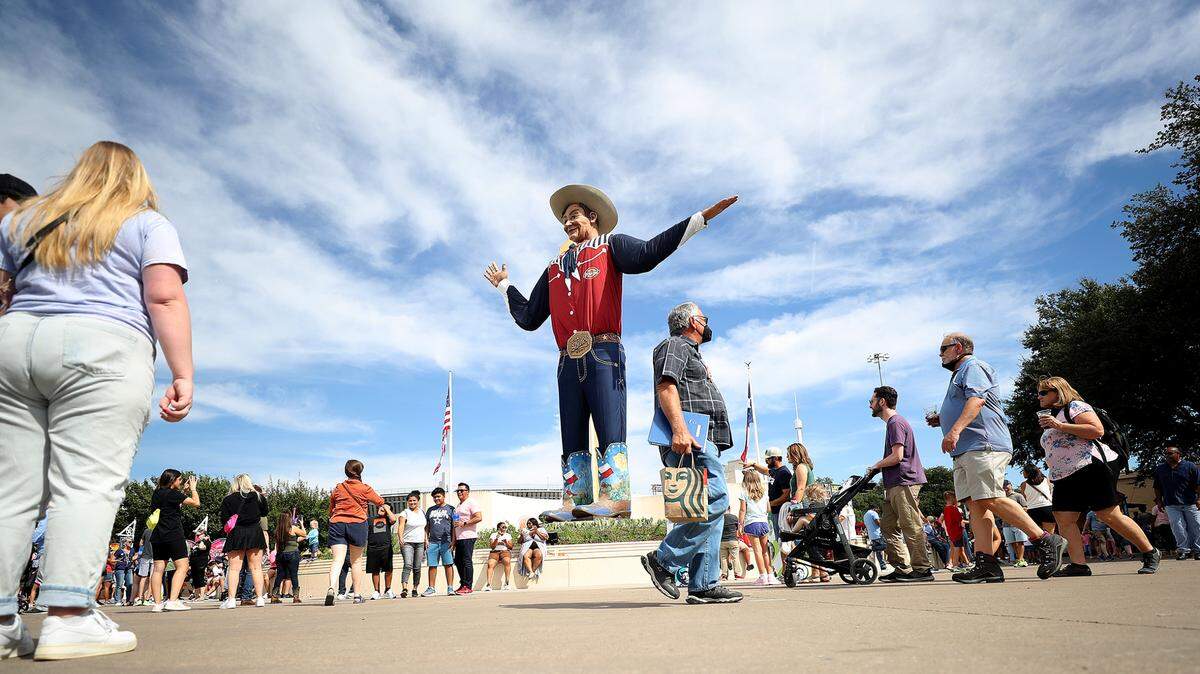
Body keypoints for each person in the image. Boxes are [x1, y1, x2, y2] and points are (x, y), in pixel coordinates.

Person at [0, 142, 193, 660]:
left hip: (14, 343)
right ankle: (67, 616)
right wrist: (182, 373)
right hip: (103, 344)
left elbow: (4, 291)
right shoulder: (146, 222)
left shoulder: (22, 222)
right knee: (84, 482)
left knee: (12, 492)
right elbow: (163, 295)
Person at [485, 187, 738, 521]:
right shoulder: (554, 268)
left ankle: (616, 496)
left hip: (603, 349)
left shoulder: (609, 246)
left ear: (592, 217)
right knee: (571, 429)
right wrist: (506, 286)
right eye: (564, 219)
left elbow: (648, 253)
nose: (567, 223)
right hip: (566, 358)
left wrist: (699, 219)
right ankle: (574, 498)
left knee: (608, 423)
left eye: (573, 215)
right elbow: (530, 316)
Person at [926, 333, 1067, 583]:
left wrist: (955, 429)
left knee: (990, 496)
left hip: (983, 444)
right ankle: (987, 563)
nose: (940, 355)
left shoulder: (973, 366)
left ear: (958, 348)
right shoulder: (959, 374)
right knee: (976, 504)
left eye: (943, 349)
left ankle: (1045, 539)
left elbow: (977, 400)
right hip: (965, 449)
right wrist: (944, 419)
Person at [641, 302, 741, 604]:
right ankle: (663, 560)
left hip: (701, 438)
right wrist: (680, 430)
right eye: (704, 318)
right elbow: (666, 387)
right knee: (717, 499)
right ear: (691, 322)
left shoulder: (690, 353)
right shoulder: (674, 345)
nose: (707, 323)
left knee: (705, 509)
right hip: (692, 438)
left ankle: (704, 584)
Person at [1032, 376, 1160, 576]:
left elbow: (1096, 430)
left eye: (1042, 392)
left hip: (1090, 467)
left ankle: (1150, 552)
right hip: (1064, 474)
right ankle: (1079, 565)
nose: (1038, 396)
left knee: (1108, 514)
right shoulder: (1053, 417)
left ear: (1057, 392)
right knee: (1064, 517)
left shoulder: (1075, 406)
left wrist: (1059, 426)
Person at [867, 385, 932, 582]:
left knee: (910, 524)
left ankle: (922, 569)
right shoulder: (893, 424)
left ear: (882, 402)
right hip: (894, 483)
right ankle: (901, 568)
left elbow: (897, 456)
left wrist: (877, 465)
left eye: (871, 401)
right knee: (888, 526)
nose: (869, 405)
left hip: (905, 480)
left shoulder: (896, 423)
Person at [324, 459, 385, 606]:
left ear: (346, 471)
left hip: (337, 523)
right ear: (360, 472)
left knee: (337, 560)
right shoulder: (365, 488)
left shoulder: (338, 487)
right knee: (356, 561)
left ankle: (332, 587)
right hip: (357, 524)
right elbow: (380, 501)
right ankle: (357, 595)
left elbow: (331, 509)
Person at [148, 470, 200, 613]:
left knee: (158, 569)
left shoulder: (157, 493)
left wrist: (183, 491)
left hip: (158, 535)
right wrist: (194, 489)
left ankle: (157, 604)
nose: (181, 482)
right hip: (173, 534)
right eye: (180, 480)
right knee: (182, 566)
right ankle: (172, 600)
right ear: (173, 481)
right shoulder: (173, 494)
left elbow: (171, 504)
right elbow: (196, 503)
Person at [218, 474, 269, 609]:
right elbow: (265, 513)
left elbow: (223, 519)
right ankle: (259, 598)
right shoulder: (258, 497)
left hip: (236, 533)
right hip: (255, 532)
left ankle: (231, 600)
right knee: (256, 568)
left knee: (234, 569)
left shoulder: (228, 499)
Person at [1153, 446, 1200, 560]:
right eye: (1166, 454)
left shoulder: (1190, 466)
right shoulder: (1161, 469)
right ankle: (1184, 550)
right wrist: (1159, 501)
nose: (1167, 456)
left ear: (1178, 454)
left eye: (1170, 454)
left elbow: (1198, 484)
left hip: (1190, 503)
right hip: (1171, 504)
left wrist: (1199, 499)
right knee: (1177, 527)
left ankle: (1198, 550)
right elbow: (1157, 487)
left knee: (1196, 525)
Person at [738, 469, 775, 585]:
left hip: (751, 523)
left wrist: (740, 524)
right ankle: (770, 576)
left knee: (757, 551)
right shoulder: (764, 493)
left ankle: (762, 576)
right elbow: (768, 509)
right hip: (763, 522)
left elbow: (742, 510)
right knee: (765, 551)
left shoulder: (744, 492)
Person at [423, 487, 456, 597]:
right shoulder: (430, 510)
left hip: (446, 542)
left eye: (438, 496)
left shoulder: (451, 509)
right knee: (432, 565)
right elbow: (427, 526)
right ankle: (431, 588)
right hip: (432, 542)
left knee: (448, 564)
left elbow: (455, 526)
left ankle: (450, 588)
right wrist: (426, 539)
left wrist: (453, 541)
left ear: (443, 496)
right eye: (434, 497)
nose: (436, 498)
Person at [452, 483, 482, 595]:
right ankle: (463, 584)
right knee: (458, 561)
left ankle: (468, 586)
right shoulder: (458, 506)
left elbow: (479, 517)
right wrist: (454, 540)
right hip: (459, 538)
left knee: (466, 561)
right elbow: (455, 525)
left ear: (467, 492)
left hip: (468, 536)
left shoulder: (471, 502)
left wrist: (464, 523)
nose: (459, 492)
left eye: (462, 490)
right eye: (458, 491)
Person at [397, 491, 426, 598]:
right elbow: (400, 526)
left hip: (420, 543)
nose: (412, 502)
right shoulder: (404, 513)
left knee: (417, 567)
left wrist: (426, 539)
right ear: (407, 502)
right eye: (410, 501)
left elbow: (424, 528)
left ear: (418, 501)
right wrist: (400, 538)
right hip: (407, 542)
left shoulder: (422, 512)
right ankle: (404, 588)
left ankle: (415, 588)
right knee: (408, 564)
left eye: (414, 500)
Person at [367, 503, 398, 600]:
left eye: (385, 508)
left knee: (388, 569)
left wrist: (387, 509)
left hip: (386, 548)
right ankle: (376, 591)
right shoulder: (370, 519)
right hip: (373, 548)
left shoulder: (388, 520)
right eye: (381, 507)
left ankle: (388, 589)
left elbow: (394, 519)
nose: (382, 508)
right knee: (375, 570)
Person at [270, 517, 305, 604]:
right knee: (293, 575)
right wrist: (302, 524)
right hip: (293, 554)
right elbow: (304, 534)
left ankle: (274, 596)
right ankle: (296, 597)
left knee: (279, 575)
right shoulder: (292, 528)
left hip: (281, 555)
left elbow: (277, 545)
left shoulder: (277, 531)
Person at [1019, 465, 1055, 535]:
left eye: (1023, 471)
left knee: (1038, 536)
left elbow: (1025, 497)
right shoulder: (1046, 480)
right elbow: (1050, 492)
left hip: (1032, 511)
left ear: (1028, 473)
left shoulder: (1023, 485)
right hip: (1047, 508)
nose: (1022, 473)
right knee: (1050, 536)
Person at [1000, 482, 1029, 567]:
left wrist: (1014, 511)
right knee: (1012, 543)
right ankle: (1019, 559)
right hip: (1006, 523)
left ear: (1011, 485)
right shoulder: (1001, 498)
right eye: (1003, 485)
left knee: (1020, 541)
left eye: (1006, 484)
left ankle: (1020, 559)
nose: (1005, 486)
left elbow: (1026, 507)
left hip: (1018, 522)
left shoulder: (1018, 495)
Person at [939, 492, 969, 571]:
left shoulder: (945, 509)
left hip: (950, 531)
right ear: (953, 499)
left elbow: (941, 520)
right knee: (957, 548)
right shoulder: (954, 509)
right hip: (957, 531)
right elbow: (959, 519)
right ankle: (955, 564)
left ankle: (964, 563)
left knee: (956, 547)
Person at [484, 522, 514, 591]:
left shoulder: (508, 535)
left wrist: (505, 542)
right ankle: (488, 585)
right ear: (498, 528)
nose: (505, 529)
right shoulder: (493, 535)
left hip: (505, 552)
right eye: (503, 527)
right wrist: (497, 539)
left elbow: (511, 547)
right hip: (495, 552)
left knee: (507, 561)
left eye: (505, 527)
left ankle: (507, 583)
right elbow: (492, 547)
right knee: (490, 564)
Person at [518, 517, 549, 582]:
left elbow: (545, 538)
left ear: (534, 523)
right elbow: (519, 541)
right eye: (528, 523)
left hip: (538, 547)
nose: (528, 525)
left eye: (530, 523)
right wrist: (521, 535)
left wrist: (537, 531)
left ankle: (533, 571)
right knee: (525, 556)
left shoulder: (541, 529)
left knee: (539, 555)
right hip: (528, 547)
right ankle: (531, 571)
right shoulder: (525, 530)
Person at [188, 533, 210, 601]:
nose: (198, 536)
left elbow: (201, 547)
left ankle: (202, 596)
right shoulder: (197, 543)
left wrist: (203, 540)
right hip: (194, 563)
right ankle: (197, 596)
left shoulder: (207, 542)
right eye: (198, 535)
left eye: (200, 535)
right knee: (195, 580)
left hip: (201, 563)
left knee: (200, 579)